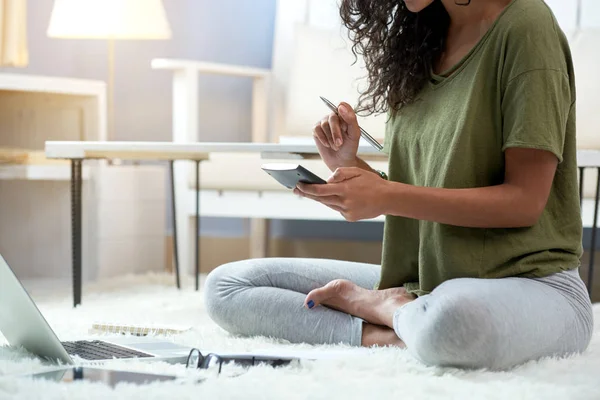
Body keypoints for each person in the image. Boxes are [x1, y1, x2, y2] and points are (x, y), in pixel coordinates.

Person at [204, 0, 594, 370]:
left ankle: (386, 310)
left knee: (452, 323)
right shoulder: (424, 37)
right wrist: (350, 167)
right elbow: (429, 189)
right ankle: (390, 333)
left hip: (536, 288)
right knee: (228, 287)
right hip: (427, 284)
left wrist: (384, 196)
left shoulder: (527, 26)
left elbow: (525, 202)